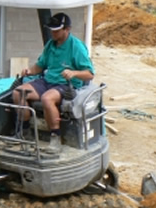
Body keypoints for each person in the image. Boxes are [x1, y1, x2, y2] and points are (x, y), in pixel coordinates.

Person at [12, 12, 95, 154]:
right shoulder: (51, 45)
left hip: (66, 84)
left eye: (56, 30)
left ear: (67, 29)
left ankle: (55, 138)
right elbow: (41, 65)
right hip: (47, 81)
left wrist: (74, 73)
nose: (53, 33)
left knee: (47, 98)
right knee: (18, 92)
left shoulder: (77, 47)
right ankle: (25, 132)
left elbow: (90, 73)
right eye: (52, 30)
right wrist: (30, 71)